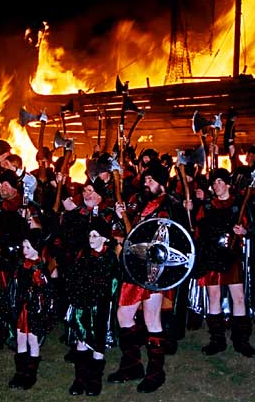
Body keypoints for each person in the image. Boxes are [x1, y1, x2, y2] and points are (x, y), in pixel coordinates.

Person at [109, 159, 178, 393]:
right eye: (145, 179)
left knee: (151, 319)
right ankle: (132, 365)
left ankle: (156, 372)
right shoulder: (143, 206)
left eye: (151, 180)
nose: (146, 183)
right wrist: (123, 215)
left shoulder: (167, 208)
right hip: (135, 271)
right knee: (124, 315)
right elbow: (133, 235)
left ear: (162, 184)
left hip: (154, 273)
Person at [194, 168, 255, 358]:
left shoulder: (240, 205)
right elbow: (197, 231)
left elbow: (252, 229)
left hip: (232, 256)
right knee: (213, 297)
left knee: (238, 297)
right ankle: (217, 340)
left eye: (220, 182)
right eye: (214, 183)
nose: (217, 186)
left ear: (228, 184)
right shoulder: (206, 206)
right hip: (211, 256)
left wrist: (244, 232)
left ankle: (241, 341)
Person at [65, 217, 119, 396]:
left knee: (98, 340)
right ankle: (80, 378)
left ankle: (95, 379)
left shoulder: (109, 257)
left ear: (104, 238)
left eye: (95, 235)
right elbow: (75, 274)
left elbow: (110, 281)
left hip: (101, 306)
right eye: (90, 235)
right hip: (83, 303)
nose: (91, 238)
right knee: (82, 338)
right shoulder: (83, 254)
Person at [7, 226, 55, 390]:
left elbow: (47, 293)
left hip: (34, 311)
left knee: (32, 340)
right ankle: (20, 372)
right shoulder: (20, 266)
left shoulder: (40, 269)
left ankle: (30, 373)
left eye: (28, 247)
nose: (24, 250)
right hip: (22, 310)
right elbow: (14, 286)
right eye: (23, 247)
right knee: (20, 338)